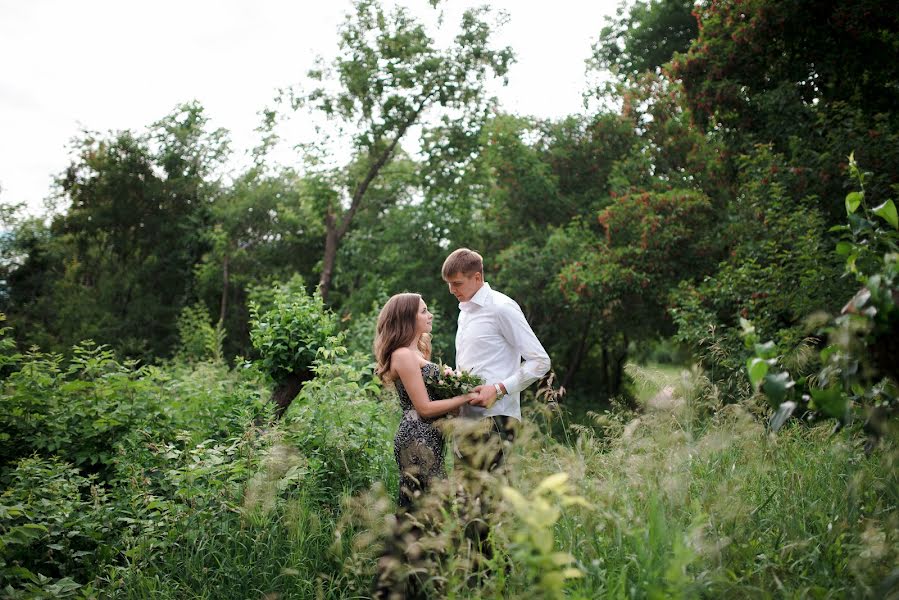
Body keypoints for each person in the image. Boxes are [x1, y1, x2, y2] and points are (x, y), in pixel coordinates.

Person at [442, 247, 551, 471]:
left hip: (497, 419)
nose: (452, 290)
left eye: (457, 283)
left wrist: (499, 389)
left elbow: (540, 361)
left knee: (494, 500)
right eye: (449, 284)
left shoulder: (502, 307)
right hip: (465, 418)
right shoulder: (464, 312)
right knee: (465, 500)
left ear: (477, 277)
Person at [373, 292, 477, 509]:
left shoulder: (417, 353)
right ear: (407, 317)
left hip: (429, 436)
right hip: (416, 437)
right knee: (430, 507)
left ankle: (407, 543)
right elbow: (424, 408)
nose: (430, 315)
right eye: (423, 311)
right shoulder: (402, 355)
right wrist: (464, 397)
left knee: (425, 508)